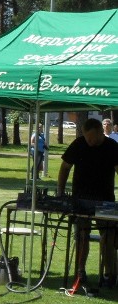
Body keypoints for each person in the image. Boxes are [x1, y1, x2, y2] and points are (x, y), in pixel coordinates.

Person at [57, 118, 118, 287]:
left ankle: (109, 274)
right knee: (81, 235)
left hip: (105, 201)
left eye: (91, 138)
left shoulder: (112, 146)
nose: (88, 141)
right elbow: (65, 168)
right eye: (86, 137)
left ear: (100, 132)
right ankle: (80, 271)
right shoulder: (79, 144)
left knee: (109, 236)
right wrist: (60, 191)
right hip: (81, 199)